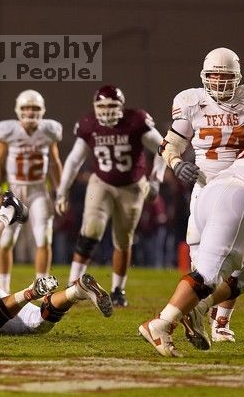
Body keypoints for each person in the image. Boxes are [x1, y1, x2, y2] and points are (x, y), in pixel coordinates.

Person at [139, 99, 244, 357]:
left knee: (240, 279)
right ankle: (161, 323)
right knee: (208, 276)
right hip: (240, 198)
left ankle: (198, 310)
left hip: (213, 189)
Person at [158, 47, 244, 342]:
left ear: (238, 78)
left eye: (226, 77)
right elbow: (169, 144)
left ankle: (216, 321)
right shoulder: (192, 102)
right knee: (203, 267)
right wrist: (176, 164)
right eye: (213, 77)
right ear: (203, 76)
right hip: (206, 187)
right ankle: (195, 319)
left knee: (241, 276)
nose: (220, 83)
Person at [55, 85, 166, 307]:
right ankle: (71, 285)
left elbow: (164, 147)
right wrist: (62, 191)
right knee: (91, 229)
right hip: (102, 183)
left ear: (121, 107)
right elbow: (75, 160)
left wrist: (156, 179)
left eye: (111, 106)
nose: (106, 111)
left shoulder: (136, 121)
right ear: (95, 107)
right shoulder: (89, 124)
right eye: (102, 106)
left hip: (132, 186)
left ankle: (118, 290)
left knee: (123, 240)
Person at [0, 90, 63, 293]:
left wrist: (60, 191)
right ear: (18, 110)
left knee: (44, 239)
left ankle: (41, 286)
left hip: (39, 191)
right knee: (6, 241)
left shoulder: (50, 131)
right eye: (26, 108)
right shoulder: (8, 131)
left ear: (43, 110)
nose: (30, 112)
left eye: (35, 108)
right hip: (14, 191)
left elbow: (55, 163)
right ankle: (3, 289)